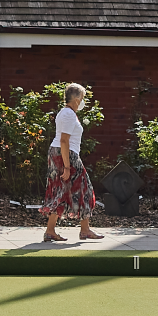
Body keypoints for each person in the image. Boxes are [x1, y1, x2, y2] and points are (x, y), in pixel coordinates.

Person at [42, 81, 97, 243]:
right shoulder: (68, 114)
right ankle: (84, 230)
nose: (84, 101)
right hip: (66, 155)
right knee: (84, 189)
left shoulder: (67, 113)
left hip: (61, 153)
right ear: (77, 99)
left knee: (61, 191)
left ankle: (52, 231)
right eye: (83, 97)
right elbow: (64, 140)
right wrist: (67, 166)